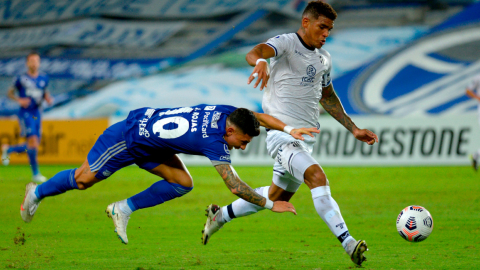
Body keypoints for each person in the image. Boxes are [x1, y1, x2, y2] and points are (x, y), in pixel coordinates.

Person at [201, 1, 378, 267]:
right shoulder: (286, 44)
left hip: (305, 141)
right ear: (306, 22)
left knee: (275, 197)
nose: (326, 33)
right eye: (322, 27)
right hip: (281, 137)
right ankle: (348, 242)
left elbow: (328, 97)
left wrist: (353, 128)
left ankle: (220, 215)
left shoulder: (324, 59)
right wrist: (261, 61)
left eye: (329, 29)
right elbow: (257, 51)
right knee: (316, 177)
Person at [20, 104, 319, 244]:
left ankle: (122, 209)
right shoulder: (215, 142)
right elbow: (235, 187)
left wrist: (289, 129)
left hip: (152, 143)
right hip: (128, 139)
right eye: (242, 141)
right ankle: (35, 193)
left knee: (182, 182)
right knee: (84, 180)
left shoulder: (228, 113)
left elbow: (258, 118)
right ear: (229, 131)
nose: (242, 146)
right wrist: (270, 203)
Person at [2, 52, 53, 183]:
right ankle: (36, 173)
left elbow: (44, 92)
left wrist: (48, 98)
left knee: (34, 144)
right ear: (27, 63)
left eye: (36, 60)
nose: (34, 63)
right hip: (26, 113)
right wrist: (19, 99)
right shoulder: (21, 79)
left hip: (37, 113)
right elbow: (9, 92)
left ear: (39, 63)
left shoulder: (44, 78)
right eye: (32, 61)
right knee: (33, 142)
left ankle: (9, 149)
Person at [465, 73, 480, 171]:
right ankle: (476, 155)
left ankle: (476, 155)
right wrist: (478, 97)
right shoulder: (478, 78)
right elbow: (468, 90)